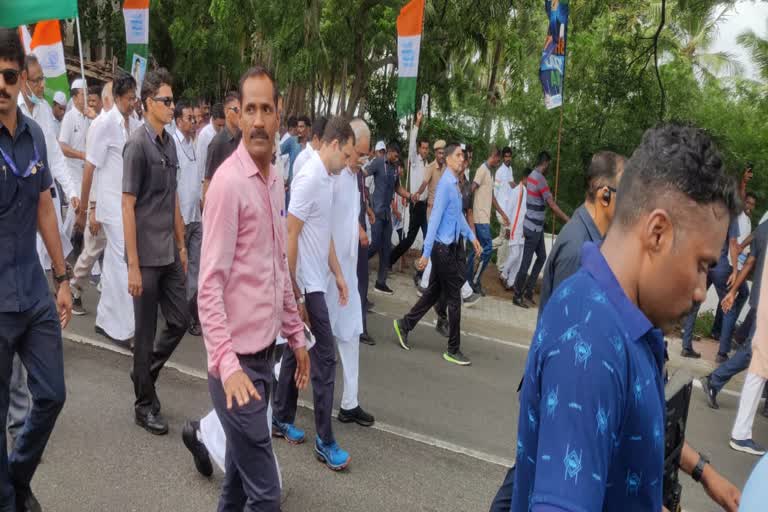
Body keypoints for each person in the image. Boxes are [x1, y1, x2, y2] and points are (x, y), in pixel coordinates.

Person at [506, 123, 740, 512]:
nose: (702, 290)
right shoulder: (591, 336)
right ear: (658, 232)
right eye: (702, 265)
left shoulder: (625, 321)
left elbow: (627, 429)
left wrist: (698, 471)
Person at [196, 66, 310, 510]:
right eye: (250, 110)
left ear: (279, 115)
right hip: (235, 373)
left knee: (239, 485)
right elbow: (209, 288)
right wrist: (229, 366)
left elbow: (277, 266)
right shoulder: (227, 185)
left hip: (265, 362)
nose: (259, 119)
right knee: (267, 496)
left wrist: (296, 337)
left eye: (267, 109)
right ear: (238, 117)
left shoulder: (275, 178)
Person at [0, 27, 70, 511]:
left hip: (32, 287)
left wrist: (62, 278)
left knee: (51, 393)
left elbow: (45, 206)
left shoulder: (35, 135)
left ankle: (16, 476)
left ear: (20, 79)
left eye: (8, 75)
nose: (0, 85)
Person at [274, 116, 355, 471]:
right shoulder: (309, 178)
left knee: (298, 347)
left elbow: (324, 235)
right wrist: (294, 291)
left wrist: (338, 273)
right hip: (307, 284)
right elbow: (289, 234)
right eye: (349, 155)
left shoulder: (328, 179)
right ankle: (325, 440)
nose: (350, 163)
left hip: (319, 280)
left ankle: (279, 417)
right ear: (334, 145)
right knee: (325, 361)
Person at [122, 68, 190, 435]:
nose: (172, 106)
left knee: (180, 320)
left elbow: (174, 198)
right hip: (145, 257)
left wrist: (182, 244)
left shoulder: (170, 143)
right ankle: (144, 404)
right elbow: (127, 205)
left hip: (168, 252)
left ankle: (142, 373)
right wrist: (133, 265)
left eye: (172, 99)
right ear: (148, 103)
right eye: (166, 100)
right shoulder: (137, 145)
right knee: (145, 333)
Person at [394, 143, 482, 366]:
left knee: (433, 293)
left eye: (463, 156)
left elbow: (458, 217)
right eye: (459, 155)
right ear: (450, 159)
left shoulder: (454, 185)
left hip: (449, 248)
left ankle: (404, 325)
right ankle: (453, 349)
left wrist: (472, 238)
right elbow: (433, 220)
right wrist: (425, 253)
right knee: (454, 299)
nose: (462, 159)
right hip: (442, 250)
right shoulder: (445, 185)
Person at [84, 74, 140, 347]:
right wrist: (87, 207)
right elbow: (90, 167)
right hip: (112, 206)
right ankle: (125, 331)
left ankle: (105, 321)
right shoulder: (103, 124)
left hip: (128, 204)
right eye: (129, 98)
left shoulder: (134, 123)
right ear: (117, 97)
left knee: (115, 265)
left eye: (134, 98)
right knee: (123, 263)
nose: (133, 103)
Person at [327, 118, 376, 427]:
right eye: (360, 153)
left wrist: (358, 228)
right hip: (328, 275)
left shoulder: (354, 177)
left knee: (350, 334)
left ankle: (350, 403)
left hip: (347, 274)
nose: (363, 160)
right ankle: (275, 390)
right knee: (306, 342)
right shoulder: (332, 175)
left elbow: (346, 214)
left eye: (366, 154)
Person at [538, 151, 625, 312]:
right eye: (624, 192)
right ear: (604, 195)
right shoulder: (577, 251)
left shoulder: (596, 240)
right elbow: (564, 328)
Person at [17, 55, 78, 271]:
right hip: (17, 199)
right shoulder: (11, 109)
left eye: (43, 79)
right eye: (37, 80)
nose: (43, 85)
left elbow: (55, 156)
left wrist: (71, 192)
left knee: (46, 255)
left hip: (43, 196)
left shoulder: (42, 109)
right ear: (23, 80)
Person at [70, 82, 117, 316]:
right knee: (91, 251)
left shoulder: (120, 125)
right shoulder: (100, 126)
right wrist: (93, 208)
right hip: (99, 203)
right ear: (109, 100)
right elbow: (95, 170)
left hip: (116, 205)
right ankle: (74, 288)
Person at [723, 224, 768, 457]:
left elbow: (750, 260)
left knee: (757, 364)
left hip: (761, 305)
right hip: (764, 307)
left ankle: (741, 433)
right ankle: (741, 433)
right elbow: (748, 260)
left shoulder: (763, 230)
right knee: (757, 365)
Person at [680, 204, 744, 360]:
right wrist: (735, 271)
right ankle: (722, 353)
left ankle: (686, 346)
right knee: (730, 306)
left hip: (703, 262)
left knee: (694, 304)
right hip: (720, 265)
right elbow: (733, 243)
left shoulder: (708, 210)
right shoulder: (731, 214)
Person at [511, 150, 569, 308]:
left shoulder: (530, 177)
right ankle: (517, 295)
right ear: (546, 163)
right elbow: (552, 206)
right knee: (526, 262)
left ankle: (529, 292)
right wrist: (568, 220)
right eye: (549, 164)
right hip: (534, 229)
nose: (549, 167)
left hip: (532, 226)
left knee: (542, 257)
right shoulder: (541, 180)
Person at [173, 101, 203, 337]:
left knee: (196, 268)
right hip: (179, 218)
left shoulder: (195, 143)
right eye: (189, 118)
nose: (193, 122)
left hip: (196, 217)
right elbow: (173, 185)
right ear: (178, 120)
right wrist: (178, 218)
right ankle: (176, 313)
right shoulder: (173, 143)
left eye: (194, 118)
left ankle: (191, 314)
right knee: (177, 268)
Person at [366, 142, 413, 294]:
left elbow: (397, 188)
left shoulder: (394, 169)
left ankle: (381, 283)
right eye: (396, 155)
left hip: (387, 215)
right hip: (377, 212)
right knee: (375, 245)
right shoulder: (378, 162)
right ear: (390, 152)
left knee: (386, 249)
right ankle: (358, 262)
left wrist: (410, 195)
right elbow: (364, 174)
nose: (397, 159)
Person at [467, 146, 509, 294]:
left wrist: (502, 213)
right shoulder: (482, 170)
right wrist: (468, 209)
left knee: (475, 250)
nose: (499, 161)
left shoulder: (490, 172)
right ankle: (475, 281)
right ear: (494, 156)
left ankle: (467, 281)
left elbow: (492, 198)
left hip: (484, 217)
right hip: (479, 217)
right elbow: (471, 188)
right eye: (499, 158)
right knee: (488, 248)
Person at [390, 112, 429, 270]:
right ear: (419, 148)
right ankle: (390, 260)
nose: (425, 150)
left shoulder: (429, 164)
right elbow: (412, 143)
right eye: (423, 148)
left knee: (429, 238)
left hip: (426, 206)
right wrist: (417, 123)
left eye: (427, 148)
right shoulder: (414, 161)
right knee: (410, 240)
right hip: (416, 205)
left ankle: (423, 270)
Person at [59, 78, 91, 259]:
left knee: (81, 213)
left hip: (86, 172)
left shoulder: (87, 116)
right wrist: (80, 155)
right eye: (83, 94)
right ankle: (61, 247)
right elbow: (62, 146)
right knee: (76, 209)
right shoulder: (70, 117)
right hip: (72, 172)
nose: (86, 97)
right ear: (76, 96)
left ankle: (74, 249)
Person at [202, 91, 241, 203]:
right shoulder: (217, 143)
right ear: (226, 111)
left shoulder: (244, 141)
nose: (240, 114)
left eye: (242, 110)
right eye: (236, 110)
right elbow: (208, 181)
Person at [499, 168, 529, 290]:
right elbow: (509, 208)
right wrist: (508, 227)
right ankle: (503, 274)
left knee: (520, 258)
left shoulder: (526, 191)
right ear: (525, 178)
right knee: (515, 255)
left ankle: (511, 283)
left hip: (522, 230)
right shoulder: (516, 191)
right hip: (514, 227)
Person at [195, 101, 222, 204]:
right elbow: (200, 165)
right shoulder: (204, 135)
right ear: (213, 119)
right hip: (209, 184)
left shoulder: (226, 132)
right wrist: (202, 193)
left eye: (223, 125)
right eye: (219, 125)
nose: (221, 129)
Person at [493, 147, 515, 268]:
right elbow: (494, 192)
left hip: (508, 210)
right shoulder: (499, 172)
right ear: (503, 158)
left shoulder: (510, 169)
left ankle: (482, 248)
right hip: (501, 210)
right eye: (505, 156)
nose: (507, 159)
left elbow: (512, 184)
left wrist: (522, 188)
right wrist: (499, 211)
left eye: (509, 156)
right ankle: (501, 265)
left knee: (504, 237)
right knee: (507, 235)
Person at [291, 115, 327, 180]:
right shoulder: (292, 141)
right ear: (316, 139)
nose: (299, 129)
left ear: (308, 128)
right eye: (298, 127)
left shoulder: (320, 157)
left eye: (301, 127)